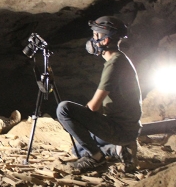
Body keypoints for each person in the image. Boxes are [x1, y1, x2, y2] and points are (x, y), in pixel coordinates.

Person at [56, 16, 142, 173]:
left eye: (96, 35)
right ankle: (117, 150)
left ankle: (97, 159)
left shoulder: (114, 64)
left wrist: (81, 119)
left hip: (120, 129)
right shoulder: (120, 60)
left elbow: (94, 106)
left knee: (64, 109)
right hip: (126, 127)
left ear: (105, 40)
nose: (93, 39)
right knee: (78, 150)